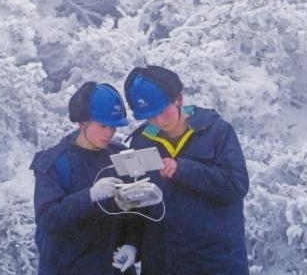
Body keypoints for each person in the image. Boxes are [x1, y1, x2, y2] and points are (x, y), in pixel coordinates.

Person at [120, 65, 250, 275]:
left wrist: (184, 170)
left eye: (162, 111)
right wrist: (131, 243)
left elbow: (237, 185)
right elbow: (138, 203)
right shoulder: (141, 141)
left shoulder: (217, 132)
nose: (159, 121)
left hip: (214, 262)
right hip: (162, 263)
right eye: (150, 116)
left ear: (178, 99)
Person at [30, 81, 136, 274]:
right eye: (102, 125)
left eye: (113, 127)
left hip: (114, 268)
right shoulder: (55, 162)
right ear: (82, 123)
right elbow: (48, 219)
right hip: (69, 268)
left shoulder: (121, 155)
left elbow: (135, 210)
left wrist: (132, 243)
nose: (109, 133)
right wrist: (89, 196)